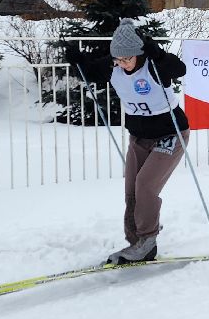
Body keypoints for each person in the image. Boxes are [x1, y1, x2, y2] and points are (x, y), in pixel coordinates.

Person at [70, 20, 190, 263]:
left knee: (145, 185)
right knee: (132, 189)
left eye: (127, 59)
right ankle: (137, 241)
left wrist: (157, 53)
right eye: (118, 59)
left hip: (170, 135)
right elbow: (89, 72)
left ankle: (147, 239)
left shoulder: (153, 67)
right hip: (139, 137)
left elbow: (179, 69)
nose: (122, 64)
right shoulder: (113, 65)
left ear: (138, 54)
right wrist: (76, 59)